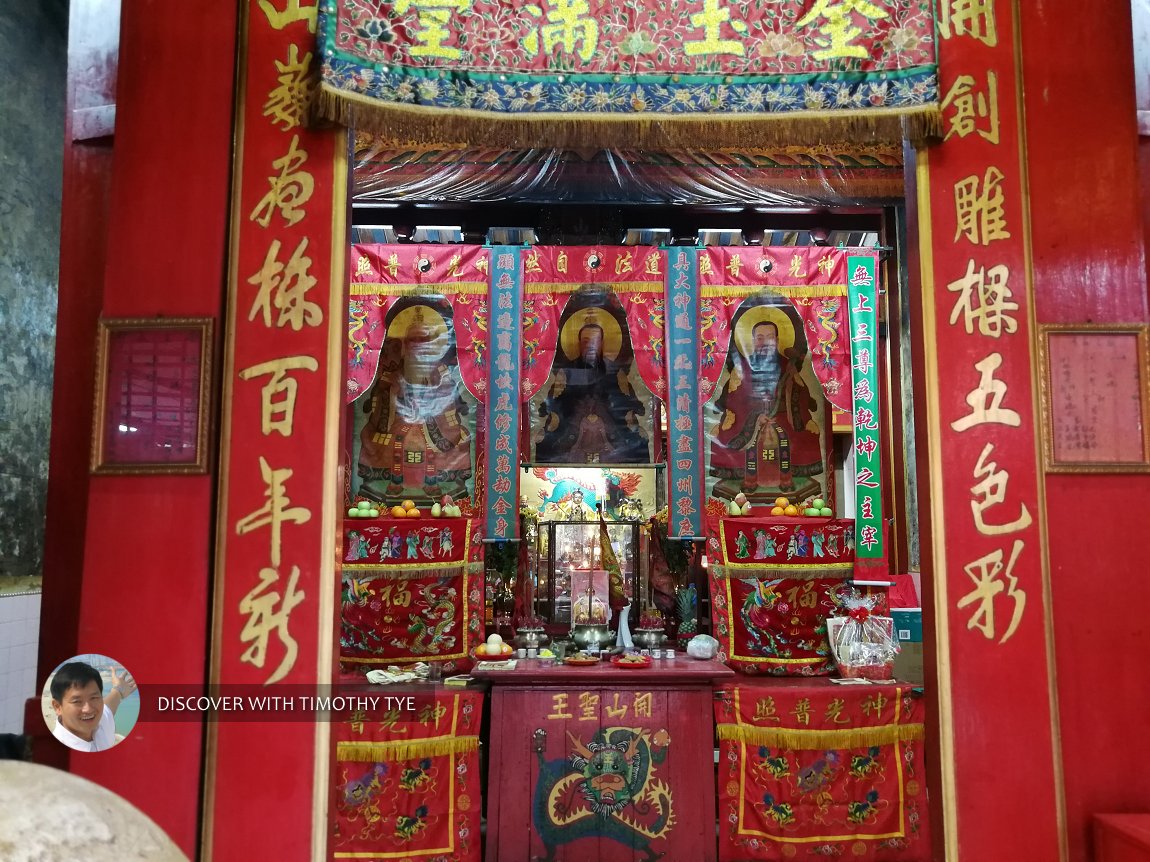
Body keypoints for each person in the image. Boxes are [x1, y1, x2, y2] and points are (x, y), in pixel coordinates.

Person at [709, 305, 827, 503]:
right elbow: (733, 399)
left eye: (770, 337)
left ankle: (788, 479)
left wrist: (804, 409)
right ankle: (747, 480)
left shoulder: (787, 366)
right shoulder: (742, 368)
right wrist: (755, 417)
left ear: (778, 340)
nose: (764, 342)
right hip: (746, 418)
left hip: (784, 417)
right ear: (753, 341)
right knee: (724, 436)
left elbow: (800, 393)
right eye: (759, 337)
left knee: (802, 435)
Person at [357, 303, 472, 503]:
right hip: (397, 422)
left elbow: (450, 402)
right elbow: (379, 403)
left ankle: (436, 484)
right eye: (413, 340)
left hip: (434, 425)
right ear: (404, 345)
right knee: (373, 438)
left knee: (458, 441)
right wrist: (392, 394)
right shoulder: (392, 375)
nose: (418, 346)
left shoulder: (441, 374)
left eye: (424, 340)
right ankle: (393, 482)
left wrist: (434, 400)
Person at [536, 308, 649, 464]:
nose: (590, 346)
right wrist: (549, 407)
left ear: (602, 343)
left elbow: (625, 395)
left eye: (594, 341)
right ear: (578, 343)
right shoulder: (568, 370)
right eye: (585, 341)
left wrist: (633, 405)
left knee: (637, 444)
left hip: (610, 422)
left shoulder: (614, 369)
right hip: (572, 421)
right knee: (547, 445)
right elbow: (557, 396)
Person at [49, 662, 136, 753]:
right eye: (77, 701)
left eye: (94, 698)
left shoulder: (101, 721)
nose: (88, 709)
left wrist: (119, 690)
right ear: (57, 707)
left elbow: (110, 704)